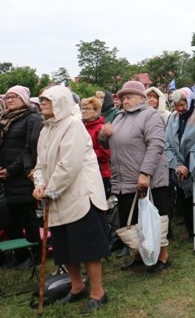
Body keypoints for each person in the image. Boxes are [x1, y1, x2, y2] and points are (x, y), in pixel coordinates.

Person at [32, 85, 109, 314]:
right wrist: (39, 185)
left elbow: (70, 165)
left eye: (47, 100)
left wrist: (49, 189)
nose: (42, 104)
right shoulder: (46, 129)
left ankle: (98, 292)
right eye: (42, 101)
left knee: (87, 247)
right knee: (66, 247)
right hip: (57, 198)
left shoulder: (73, 125)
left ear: (61, 102)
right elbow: (39, 164)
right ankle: (77, 287)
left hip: (79, 196)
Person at [100, 80, 171, 273]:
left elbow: (156, 145)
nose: (125, 101)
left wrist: (145, 173)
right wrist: (103, 136)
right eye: (122, 97)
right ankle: (140, 255)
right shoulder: (119, 117)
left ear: (142, 98)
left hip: (148, 179)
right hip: (124, 179)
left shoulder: (151, 115)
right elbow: (108, 146)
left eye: (129, 97)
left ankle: (163, 257)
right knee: (130, 222)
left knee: (155, 219)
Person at [0, 85, 43, 269]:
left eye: (14, 97)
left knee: (28, 217)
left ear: (24, 99)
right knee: (11, 218)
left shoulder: (31, 118)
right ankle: (20, 253)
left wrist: (11, 170)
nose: (9, 100)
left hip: (22, 175)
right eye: (8, 97)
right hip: (6, 177)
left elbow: (28, 148)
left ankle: (35, 253)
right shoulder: (5, 119)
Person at [165, 88, 195, 241]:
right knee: (184, 199)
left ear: (189, 101)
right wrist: (177, 165)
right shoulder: (173, 118)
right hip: (180, 166)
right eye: (176, 105)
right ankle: (194, 232)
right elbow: (168, 143)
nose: (180, 109)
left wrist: (190, 166)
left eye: (183, 104)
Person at [81, 97, 112, 198]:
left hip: (100, 174)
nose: (84, 111)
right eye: (83, 108)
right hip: (85, 173)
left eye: (88, 109)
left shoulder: (100, 128)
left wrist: (84, 153)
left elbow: (105, 154)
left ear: (97, 111)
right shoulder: (82, 126)